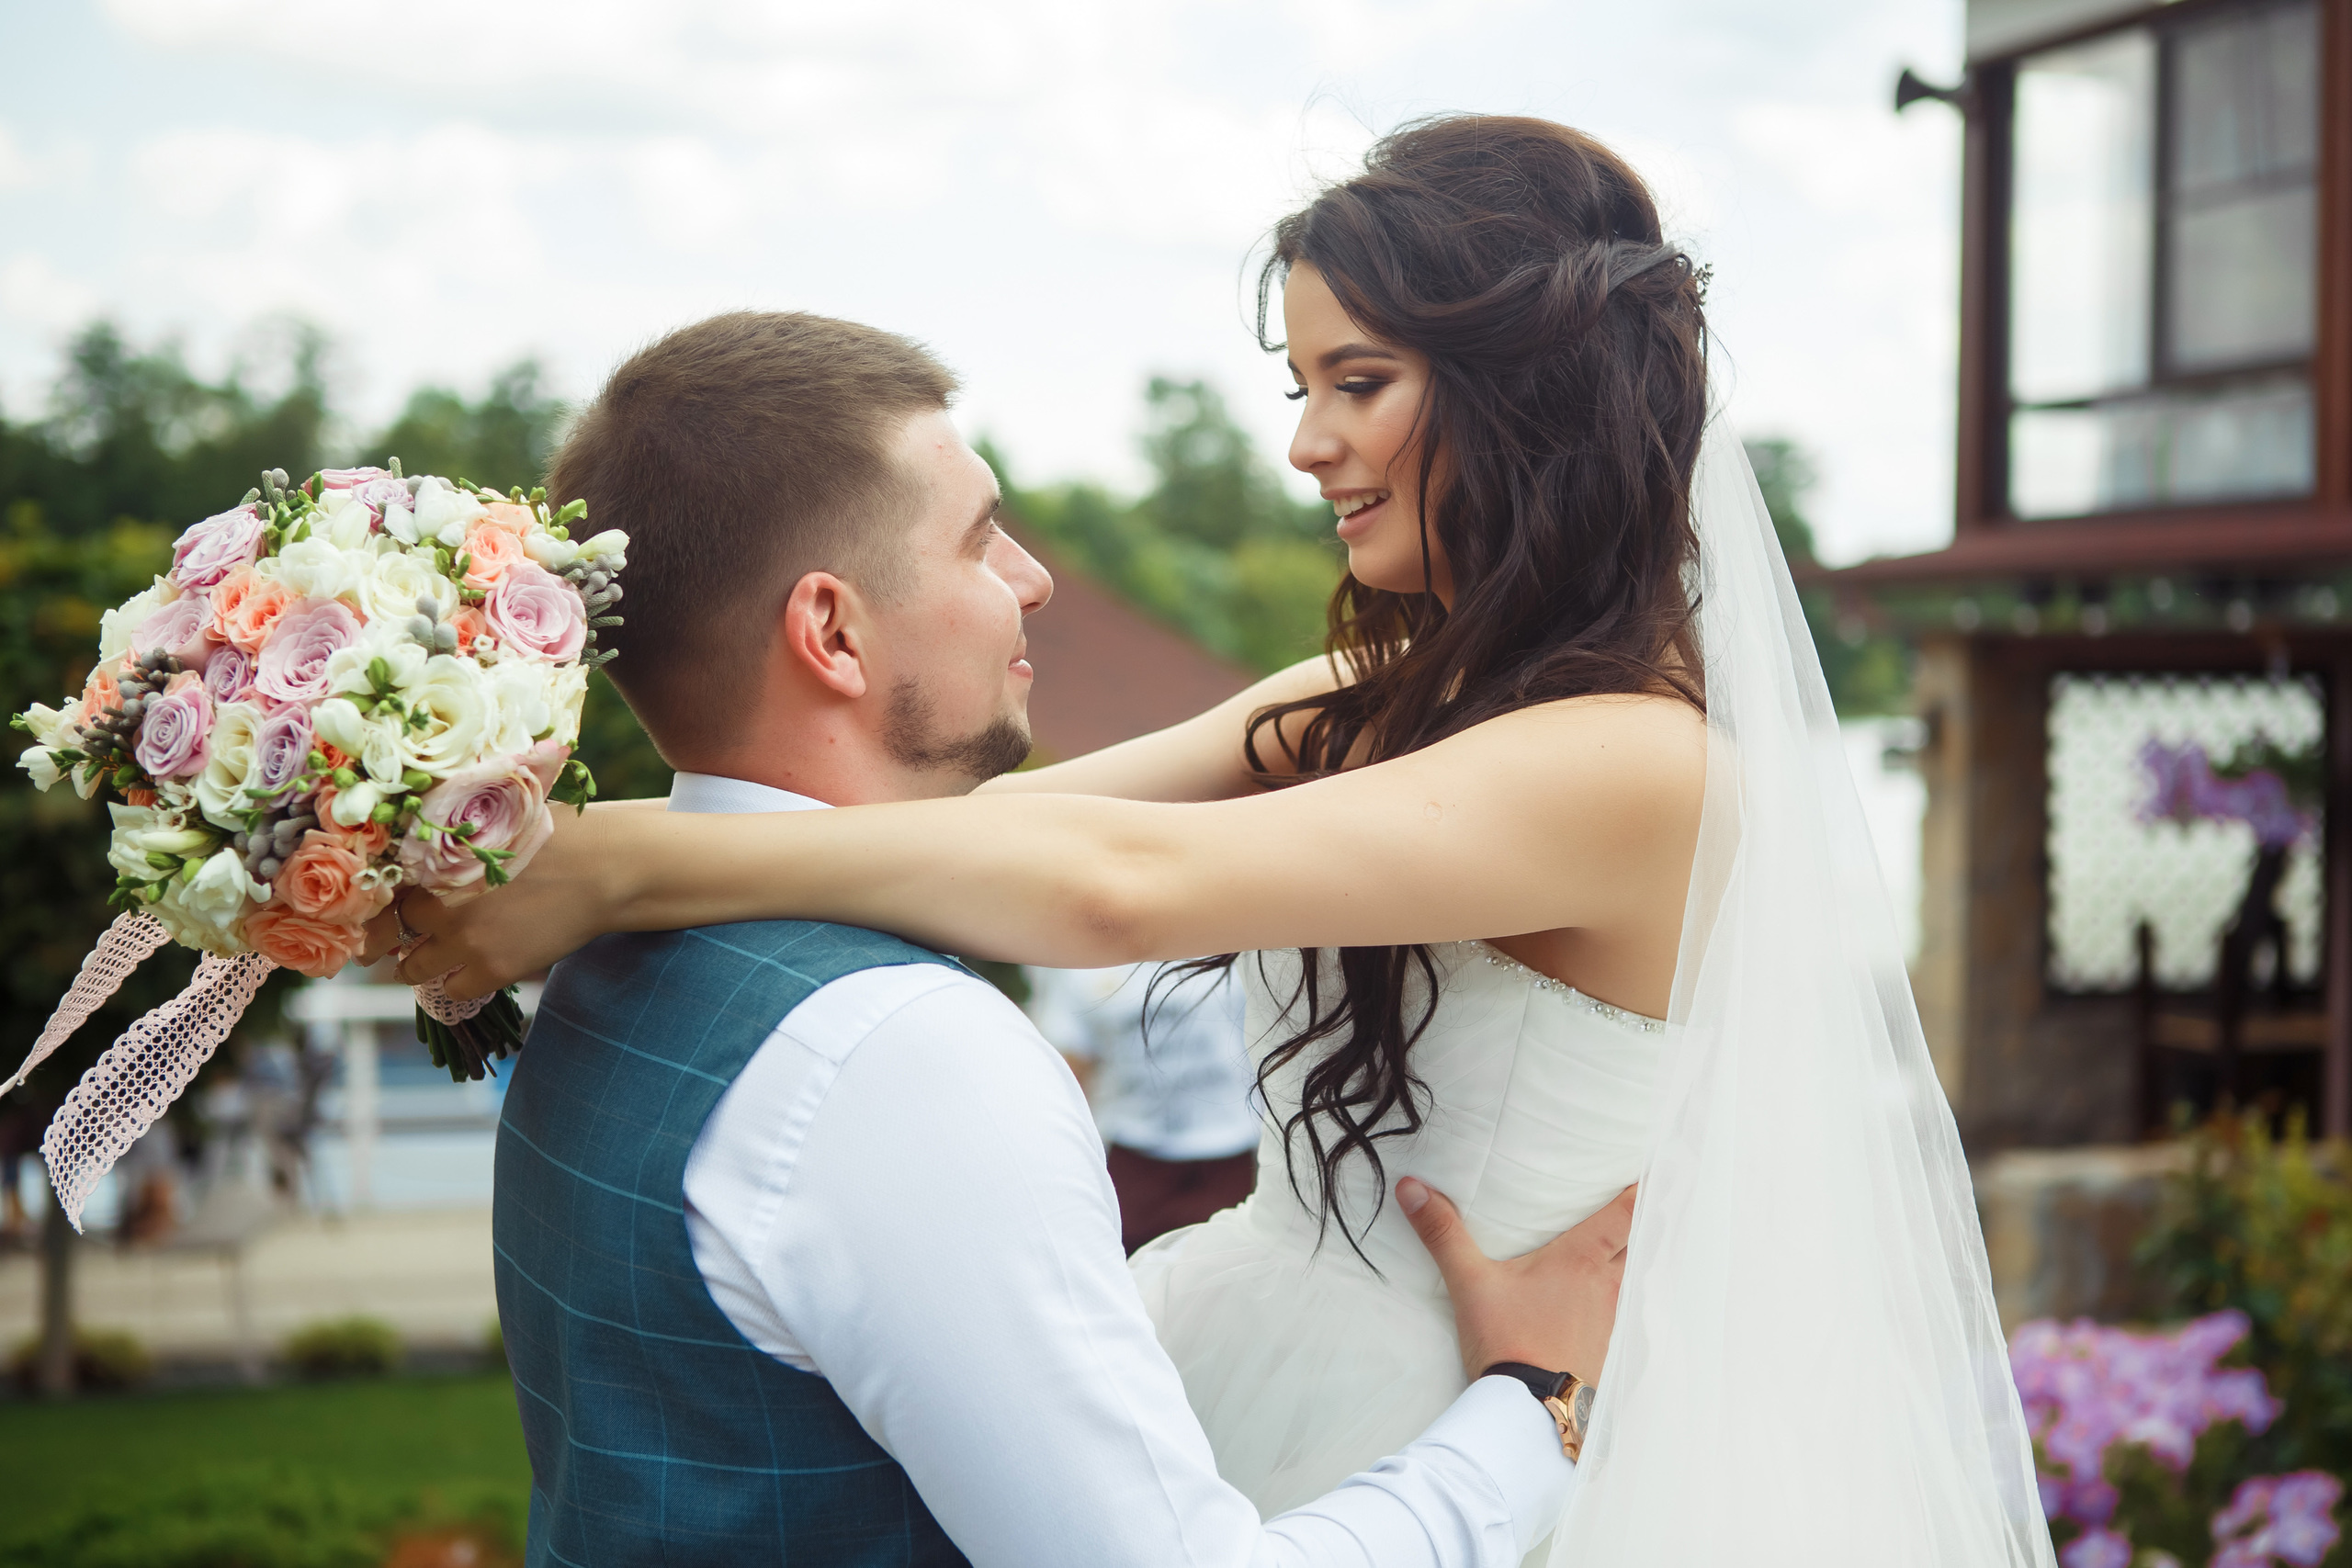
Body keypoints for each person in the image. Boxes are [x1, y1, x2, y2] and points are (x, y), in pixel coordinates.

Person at [398, 118, 2055, 1564]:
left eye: (1359, 383)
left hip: (1509, 1415)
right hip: (1270, 1341)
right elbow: (1002, 829)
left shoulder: (1640, 765)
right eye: (1304, 385)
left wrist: (622, 865)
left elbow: (1118, 889)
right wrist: (551, 837)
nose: (1307, 442)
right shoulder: (1371, 697)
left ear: (1526, 395)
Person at [425, 310, 1638, 1568]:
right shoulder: (901, 1054)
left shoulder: (610, 964)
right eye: (978, 537)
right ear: (832, 632)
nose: (1034, 577)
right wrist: (1533, 1409)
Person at [1024, 960, 1259, 1252]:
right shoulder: (1081, 967)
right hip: (1133, 1151)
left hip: (1230, 1151)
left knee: (1229, 1263)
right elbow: (1071, 1070)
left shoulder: (1233, 950)